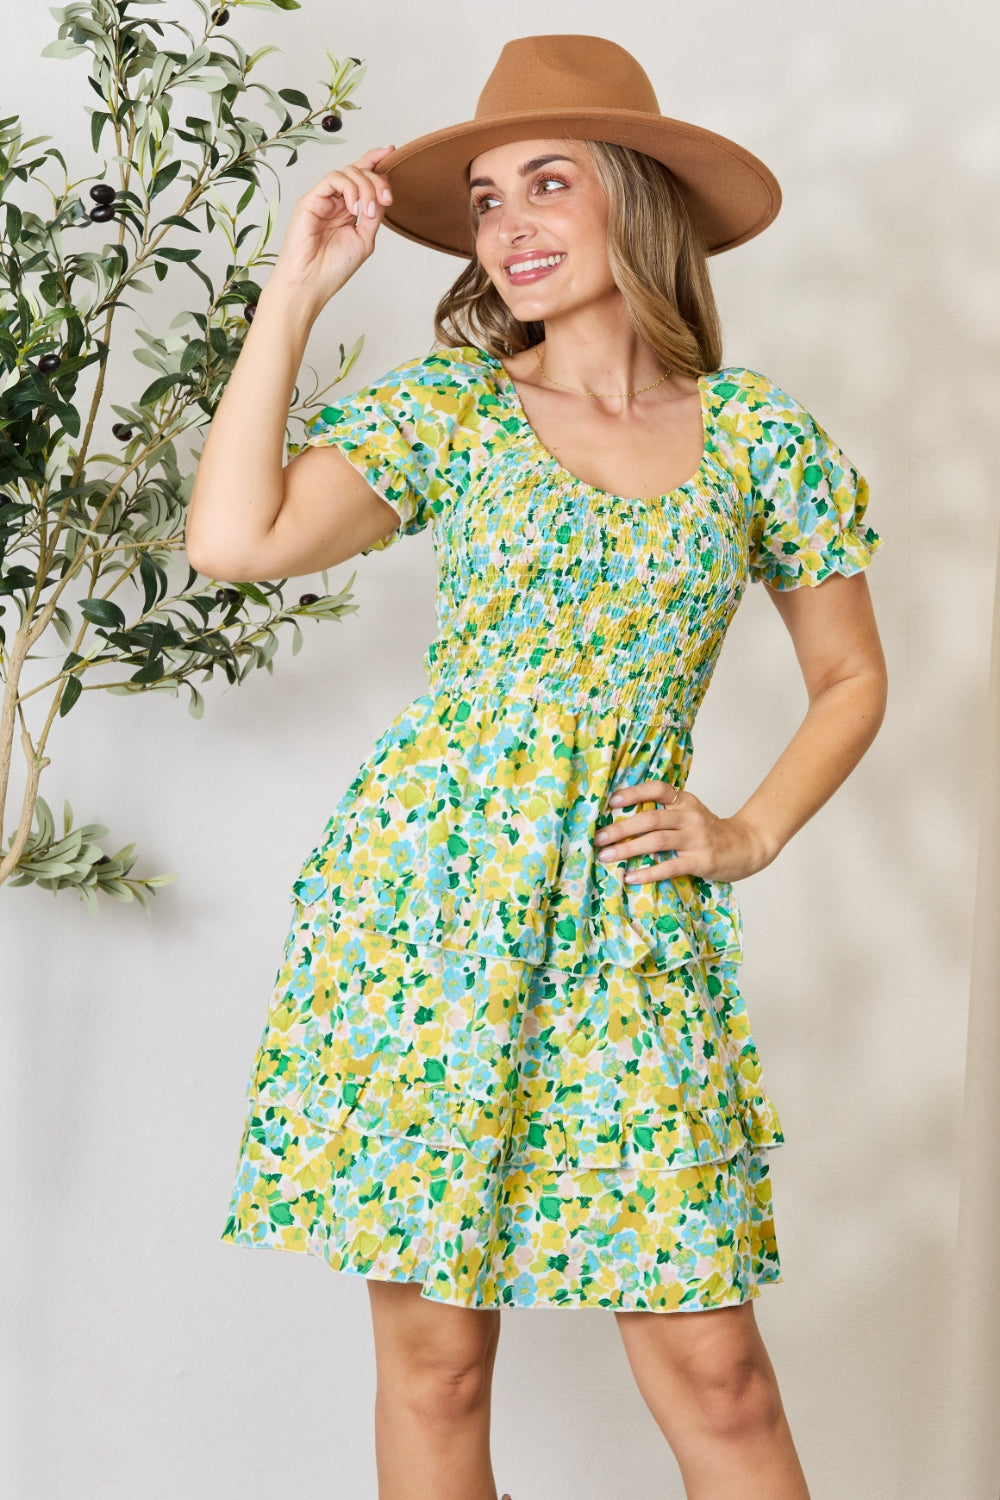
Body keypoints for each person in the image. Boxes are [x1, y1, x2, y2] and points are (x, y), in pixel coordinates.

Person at [187, 33, 886, 1500]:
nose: (507, 225)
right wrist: (295, 295)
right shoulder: (456, 412)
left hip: (631, 923)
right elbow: (232, 542)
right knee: (439, 1369)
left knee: (723, 1380)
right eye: (488, 197)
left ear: (637, 201)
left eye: (546, 184)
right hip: (430, 911)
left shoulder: (762, 439)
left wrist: (747, 833)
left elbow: (850, 677)